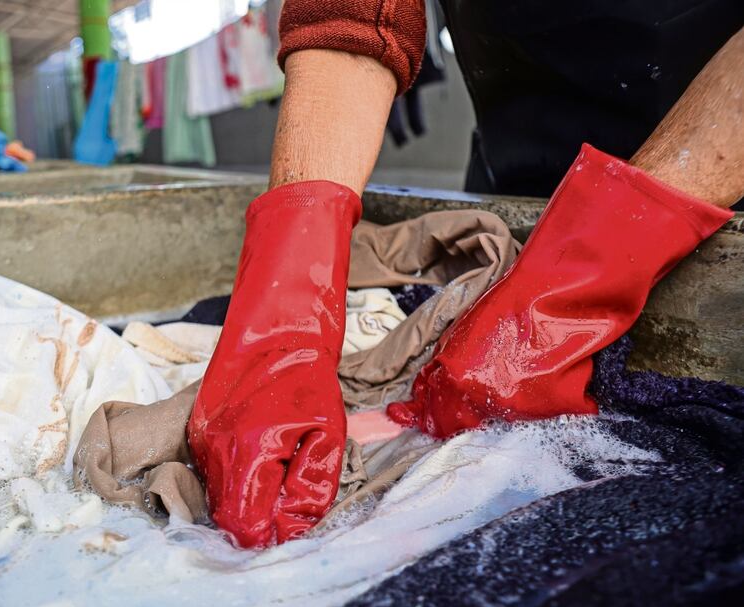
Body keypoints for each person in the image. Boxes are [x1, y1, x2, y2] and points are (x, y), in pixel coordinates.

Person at [187, 1, 744, 549]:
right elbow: (355, 15)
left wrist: (573, 284)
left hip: (714, 182)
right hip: (515, 166)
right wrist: (283, 312)